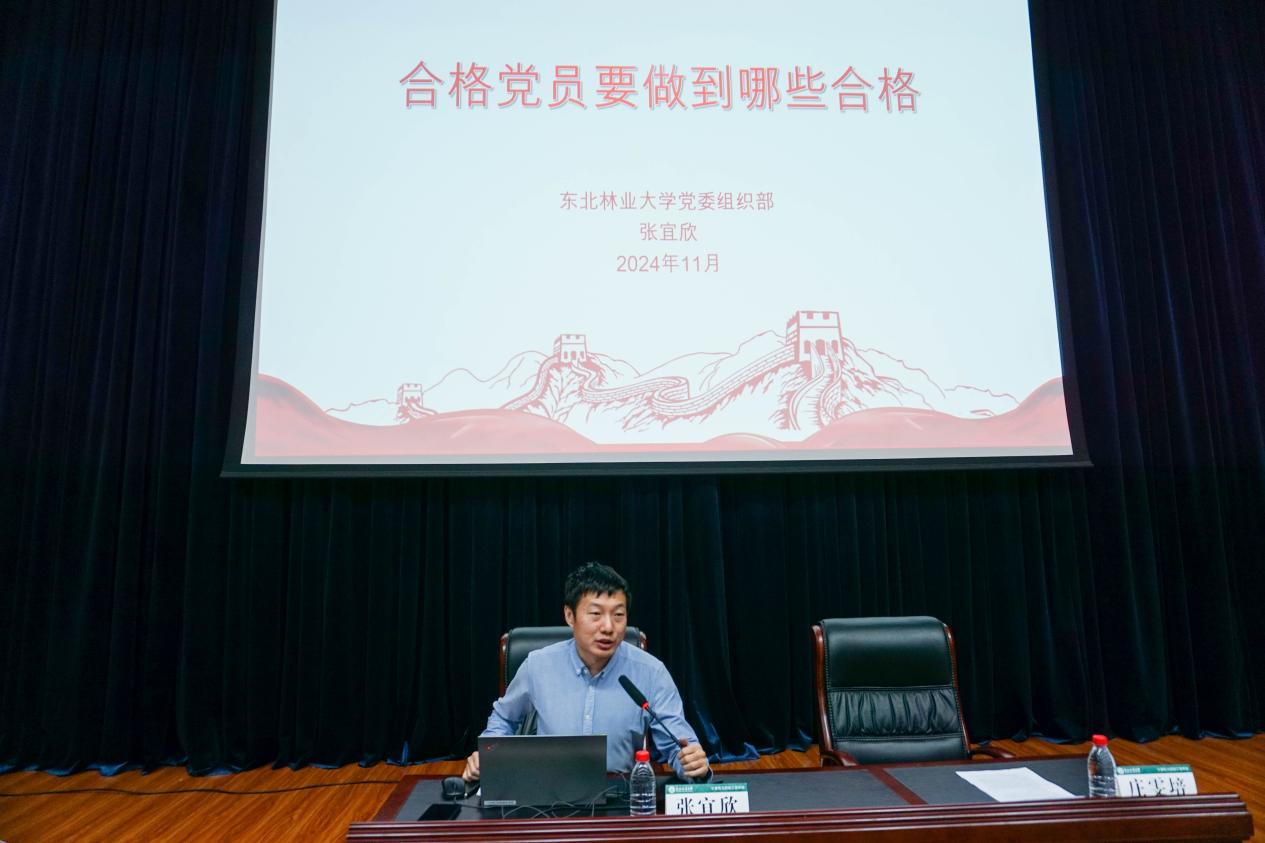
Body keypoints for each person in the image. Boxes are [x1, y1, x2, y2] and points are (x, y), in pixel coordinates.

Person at [463, 562, 710, 783]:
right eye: (595, 614)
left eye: (618, 615)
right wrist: (488, 754)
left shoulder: (651, 673)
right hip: (549, 794)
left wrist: (692, 764)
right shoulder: (538, 666)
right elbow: (504, 719)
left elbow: (678, 745)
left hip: (619, 795)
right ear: (570, 616)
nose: (608, 627)